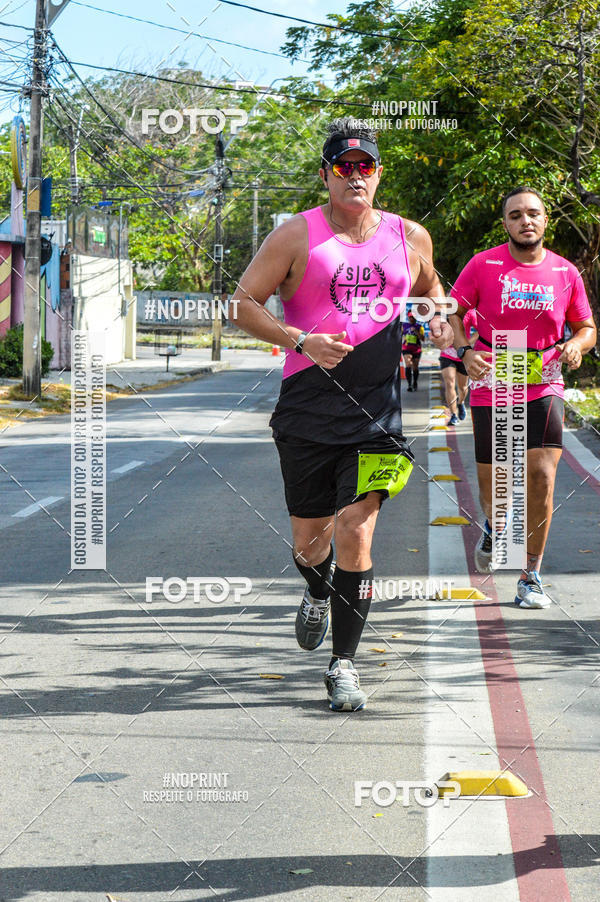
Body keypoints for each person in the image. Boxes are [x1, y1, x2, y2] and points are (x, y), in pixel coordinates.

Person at [231, 119, 453, 710]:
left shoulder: (410, 236)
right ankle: (316, 592)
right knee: (311, 542)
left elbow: (436, 292)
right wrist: (301, 340)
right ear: (326, 174)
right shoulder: (294, 236)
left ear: (378, 174)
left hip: (377, 412)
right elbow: (243, 306)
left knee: (357, 529)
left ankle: (344, 665)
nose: (356, 176)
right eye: (343, 166)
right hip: (307, 408)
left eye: (366, 167)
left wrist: (436, 317)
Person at [450, 186, 596, 607]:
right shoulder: (483, 265)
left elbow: (586, 327)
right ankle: (496, 528)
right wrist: (465, 350)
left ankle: (530, 574)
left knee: (542, 478)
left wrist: (577, 345)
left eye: (533, 213)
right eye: (516, 215)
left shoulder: (566, 272)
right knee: (495, 484)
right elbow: (456, 313)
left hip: (543, 378)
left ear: (545, 220)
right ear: (505, 224)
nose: (525, 221)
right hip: (495, 377)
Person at [439, 307, 477, 424]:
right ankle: (453, 414)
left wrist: (468, 343)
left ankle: (460, 403)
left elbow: (481, 330)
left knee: (463, 387)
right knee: (449, 383)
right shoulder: (443, 313)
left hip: (463, 354)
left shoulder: (470, 313)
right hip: (447, 354)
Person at [402, 309, 424, 391]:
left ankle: (415, 382)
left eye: (413, 317)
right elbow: (399, 335)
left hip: (416, 349)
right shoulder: (404, 325)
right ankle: (409, 385)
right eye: (410, 317)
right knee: (408, 364)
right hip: (406, 348)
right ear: (408, 317)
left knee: (415, 367)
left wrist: (416, 331)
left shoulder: (419, 327)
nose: (411, 319)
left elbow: (423, 339)